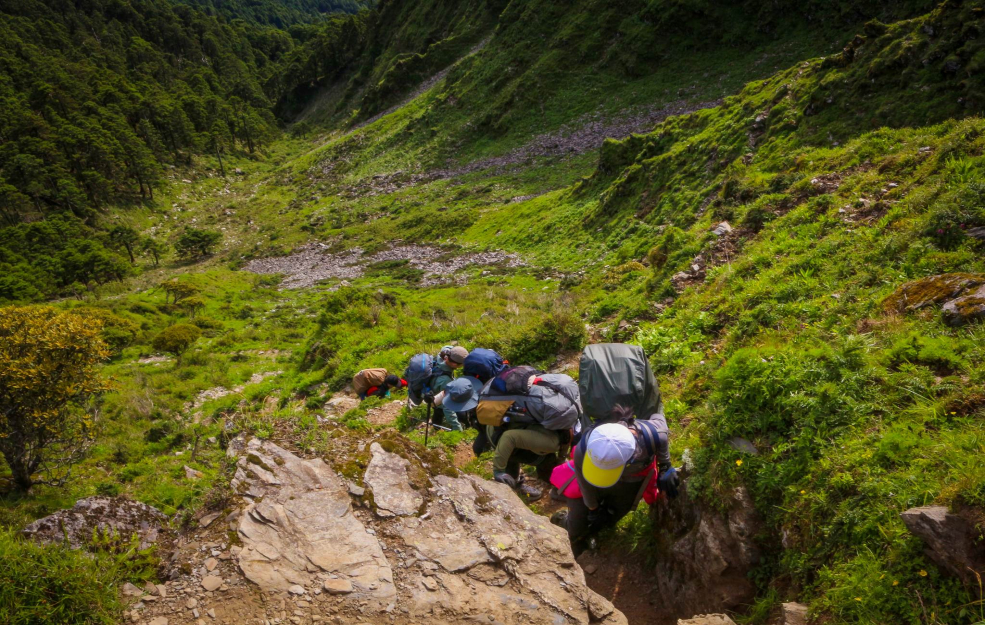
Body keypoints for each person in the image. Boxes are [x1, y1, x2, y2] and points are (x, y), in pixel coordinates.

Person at [557, 406, 679, 554]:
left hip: (631, 481)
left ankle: (594, 532)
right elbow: (584, 482)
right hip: (593, 484)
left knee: (610, 517)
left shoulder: (651, 435)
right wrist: (593, 508)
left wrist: (665, 464)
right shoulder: (586, 445)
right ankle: (565, 522)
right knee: (577, 524)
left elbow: (660, 423)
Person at [421, 345, 469, 431]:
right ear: (454, 364)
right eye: (462, 364)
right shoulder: (446, 380)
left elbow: (446, 347)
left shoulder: (442, 357)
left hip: (433, 390)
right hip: (436, 398)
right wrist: (457, 428)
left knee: (437, 413)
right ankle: (437, 428)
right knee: (440, 410)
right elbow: (447, 407)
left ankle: (436, 426)